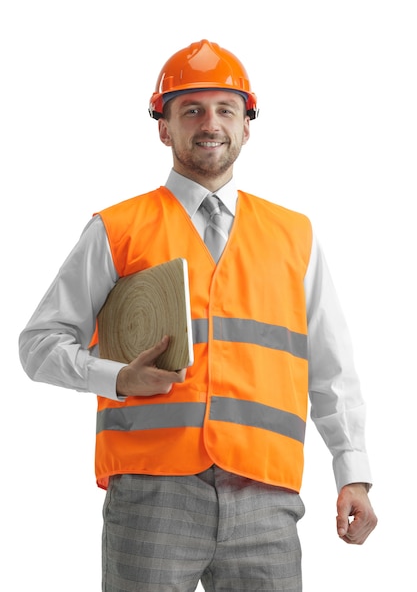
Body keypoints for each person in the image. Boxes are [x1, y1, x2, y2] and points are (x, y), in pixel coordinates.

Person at [19, 39, 377, 591]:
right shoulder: (118, 228)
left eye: (225, 109)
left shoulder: (294, 236)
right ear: (163, 126)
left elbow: (331, 366)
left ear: (247, 125)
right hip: (151, 492)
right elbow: (40, 343)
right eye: (191, 109)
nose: (210, 123)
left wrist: (353, 474)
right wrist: (117, 378)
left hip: (267, 495)